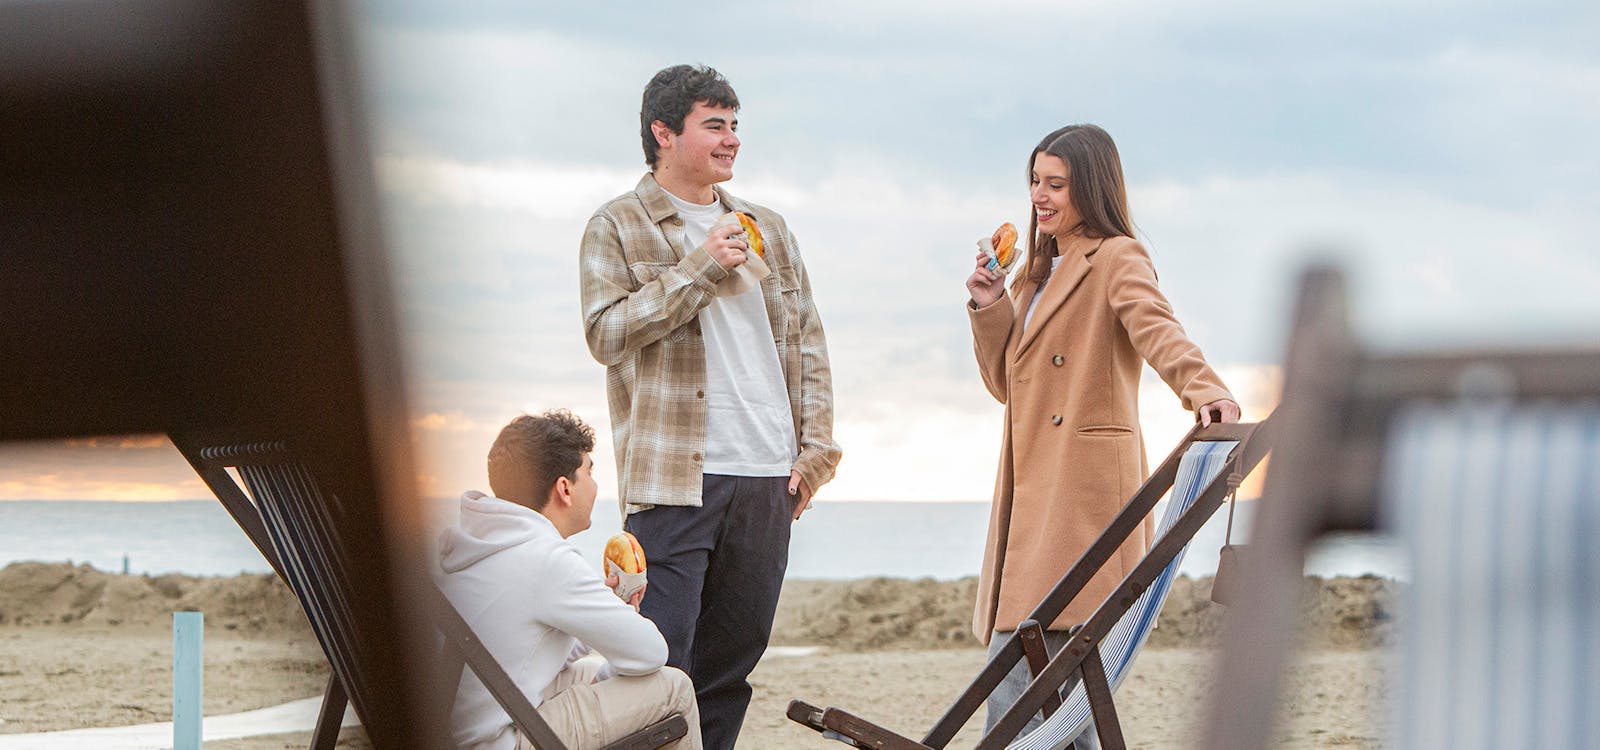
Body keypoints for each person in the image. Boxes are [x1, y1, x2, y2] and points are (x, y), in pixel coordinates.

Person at [578, 64, 841, 750]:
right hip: (672, 479)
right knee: (658, 661)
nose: (731, 141)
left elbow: (808, 347)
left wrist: (816, 455)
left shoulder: (768, 228)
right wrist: (699, 268)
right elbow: (605, 335)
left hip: (766, 476)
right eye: (714, 126)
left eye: (734, 126)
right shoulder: (617, 225)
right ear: (664, 132)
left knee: (732, 667)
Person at [964, 124, 1240, 747]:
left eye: (1055, 184)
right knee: (1068, 690)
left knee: (1025, 672)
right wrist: (990, 304)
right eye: (1034, 181)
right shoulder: (1033, 271)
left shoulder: (1116, 255)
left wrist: (1205, 390)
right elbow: (1008, 386)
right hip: (1032, 487)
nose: (1040, 196)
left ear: (1090, 188)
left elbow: (1156, 326)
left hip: (1083, 495)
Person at [433, 410, 702, 750]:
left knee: (587, 673)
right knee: (673, 687)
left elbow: (522, 647)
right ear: (564, 488)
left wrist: (600, 620)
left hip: (464, 726)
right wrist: (615, 652)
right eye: (589, 471)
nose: (595, 485)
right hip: (503, 740)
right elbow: (650, 652)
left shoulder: (478, 545)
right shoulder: (546, 558)